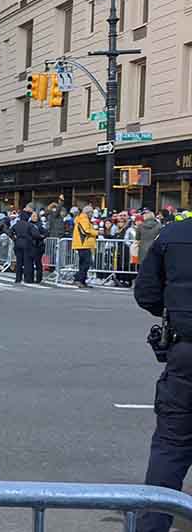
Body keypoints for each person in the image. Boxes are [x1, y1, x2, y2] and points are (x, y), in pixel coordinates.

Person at [134, 214, 192, 532]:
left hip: (185, 350)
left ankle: (152, 523)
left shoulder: (172, 235)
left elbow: (146, 292)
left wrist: (174, 310)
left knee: (171, 447)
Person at [73, 205, 97, 288]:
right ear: (88, 212)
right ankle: (78, 279)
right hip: (83, 244)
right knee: (86, 263)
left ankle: (81, 280)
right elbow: (86, 231)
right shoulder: (84, 219)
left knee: (84, 263)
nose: (92, 214)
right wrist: (96, 233)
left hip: (82, 244)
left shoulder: (82, 218)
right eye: (91, 212)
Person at [10, 208, 36, 284]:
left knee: (19, 262)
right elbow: (35, 234)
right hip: (27, 243)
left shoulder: (16, 224)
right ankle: (27, 279)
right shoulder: (29, 225)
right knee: (27, 262)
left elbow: (10, 232)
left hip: (18, 243)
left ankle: (18, 279)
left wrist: (14, 239)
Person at [30, 210, 46, 283]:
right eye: (32, 216)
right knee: (30, 263)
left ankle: (39, 278)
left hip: (38, 246)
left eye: (35, 216)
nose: (34, 217)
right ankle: (30, 277)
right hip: (30, 245)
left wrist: (40, 237)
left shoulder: (40, 224)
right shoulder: (29, 224)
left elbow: (46, 233)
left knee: (38, 262)